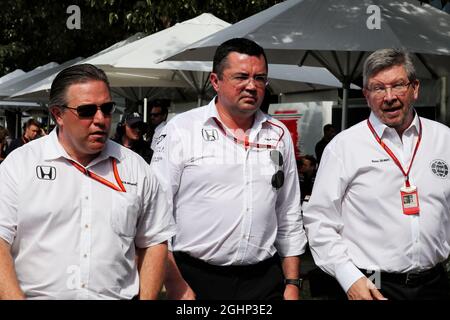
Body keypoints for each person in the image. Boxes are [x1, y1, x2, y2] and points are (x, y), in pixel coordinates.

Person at [0, 64, 176, 299]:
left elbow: (154, 240)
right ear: (58, 114)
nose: (101, 119)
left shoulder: (135, 168)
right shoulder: (20, 165)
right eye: (87, 111)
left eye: (107, 108)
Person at [152, 38, 307, 300]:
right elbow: (155, 215)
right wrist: (176, 283)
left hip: (263, 280)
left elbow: (288, 212)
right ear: (215, 81)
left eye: (260, 78)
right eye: (241, 77)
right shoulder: (182, 130)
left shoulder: (278, 134)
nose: (251, 86)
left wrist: (292, 282)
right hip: (196, 278)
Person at [303, 48, 450, 300]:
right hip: (371, 285)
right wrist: (350, 278)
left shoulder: (444, 139)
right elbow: (319, 222)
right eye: (378, 88)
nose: (389, 97)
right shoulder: (343, 147)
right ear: (367, 95)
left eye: (398, 85)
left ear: (415, 88)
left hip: (435, 284)